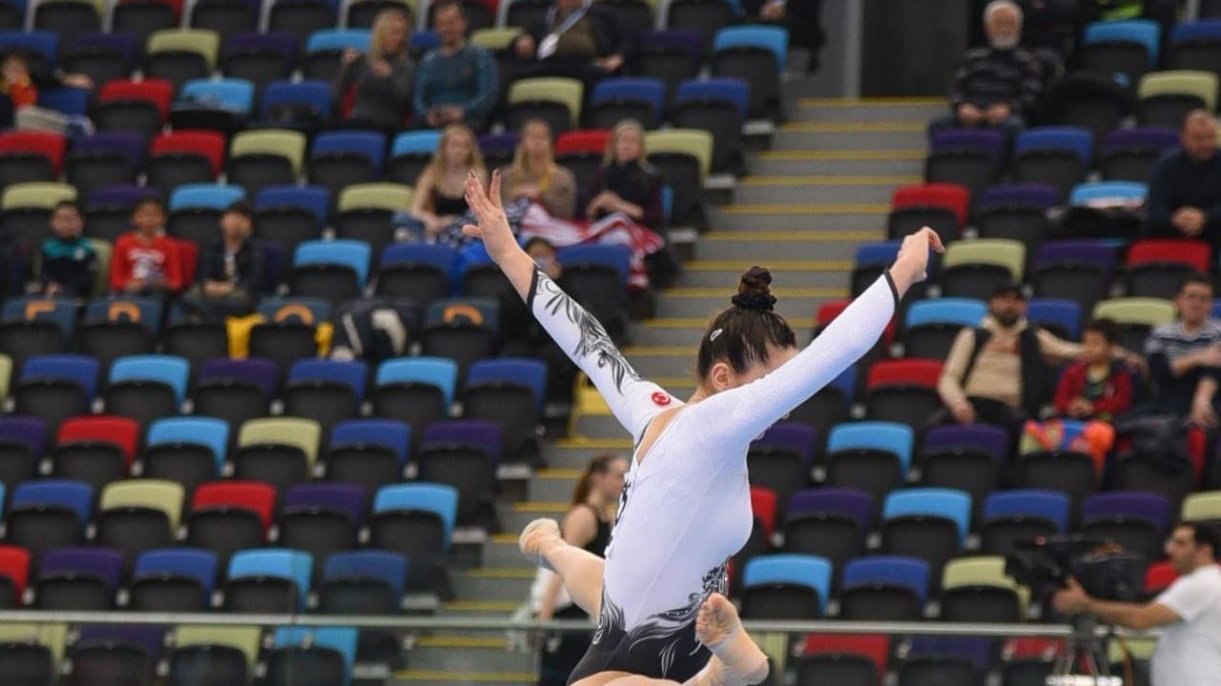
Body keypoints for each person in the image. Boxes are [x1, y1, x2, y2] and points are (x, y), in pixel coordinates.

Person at [462, 169, 942, 683]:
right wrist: (905, 269)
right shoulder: (717, 423)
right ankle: (713, 658)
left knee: (714, 651)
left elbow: (586, 339)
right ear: (723, 377)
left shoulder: (652, 408)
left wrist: (509, 252)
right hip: (629, 675)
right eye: (768, 381)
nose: (781, 403)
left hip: (649, 645)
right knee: (745, 669)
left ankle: (551, 548)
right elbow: (837, 351)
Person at [1053, 522, 1221, 686]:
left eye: (1181, 544)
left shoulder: (1202, 583)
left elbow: (1141, 619)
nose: (1170, 550)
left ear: (1204, 550)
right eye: (1171, 542)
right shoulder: (1199, 582)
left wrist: (1086, 604)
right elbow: (1140, 605)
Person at [536, 454, 629, 686]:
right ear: (599, 477)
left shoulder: (607, 518)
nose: (624, 482)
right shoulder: (584, 516)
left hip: (588, 611)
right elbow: (558, 565)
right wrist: (543, 620)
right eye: (619, 476)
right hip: (567, 615)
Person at [938, 283, 1086, 429]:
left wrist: (1099, 349)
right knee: (932, 426)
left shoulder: (1033, 336)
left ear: (1025, 307)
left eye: (1017, 300)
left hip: (1009, 408)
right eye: (1004, 299)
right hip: (971, 402)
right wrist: (958, 404)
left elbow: (1069, 351)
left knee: (1022, 427)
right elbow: (949, 377)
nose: (1010, 305)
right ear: (992, 303)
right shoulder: (972, 335)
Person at [928, 0, 1043, 138]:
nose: (1005, 29)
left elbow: (1029, 97)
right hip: (971, 112)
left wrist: (1008, 108)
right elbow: (955, 89)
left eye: (1010, 24)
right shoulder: (972, 58)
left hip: (1006, 115)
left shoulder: (1028, 61)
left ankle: (1004, 160)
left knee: (1014, 126)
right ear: (987, 27)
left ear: (1019, 28)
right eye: (999, 23)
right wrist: (962, 107)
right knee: (938, 125)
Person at [1144, 274, 1221, 428]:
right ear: (1178, 301)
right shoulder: (1160, 332)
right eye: (1191, 297)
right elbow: (1159, 371)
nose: (1196, 304)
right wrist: (1198, 358)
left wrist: (1201, 400)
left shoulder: (1218, 331)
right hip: (1166, 398)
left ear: (1210, 305)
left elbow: (1214, 369)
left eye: (1203, 299)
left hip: (1209, 399)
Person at [412, 0, 498, 131]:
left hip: (468, 120)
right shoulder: (428, 60)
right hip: (434, 122)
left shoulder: (479, 56)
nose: (446, 29)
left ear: (463, 24)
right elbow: (418, 98)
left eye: (451, 23)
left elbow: (487, 95)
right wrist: (426, 114)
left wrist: (463, 111)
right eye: (441, 24)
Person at [510, 0, 626, 89]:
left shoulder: (600, 14)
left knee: (596, 75)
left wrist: (618, 56)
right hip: (549, 63)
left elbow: (628, 39)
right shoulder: (546, 15)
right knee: (518, 75)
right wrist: (520, 41)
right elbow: (523, 36)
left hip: (588, 63)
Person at [333, 7, 416, 132]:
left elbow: (405, 104)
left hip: (388, 124)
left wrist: (389, 78)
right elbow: (335, 96)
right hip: (357, 120)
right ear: (381, 33)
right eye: (394, 32)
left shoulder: (407, 66)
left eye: (402, 33)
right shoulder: (363, 61)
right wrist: (346, 68)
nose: (398, 38)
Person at [179, 201, 264, 322]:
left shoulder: (256, 250)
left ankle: (205, 315)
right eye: (232, 217)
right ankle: (217, 317)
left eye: (242, 219)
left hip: (237, 293)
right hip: (212, 292)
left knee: (244, 300)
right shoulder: (210, 246)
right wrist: (208, 285)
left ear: (250, 226)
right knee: (188, 296)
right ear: (222, 221)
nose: (236, 223)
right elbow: (202, 274)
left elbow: (254, 280)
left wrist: (230, 287)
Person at [1146, 111, 1221, 245]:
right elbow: (1155, 209)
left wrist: (1204, 217)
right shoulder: (1165, 165)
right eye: (1199, 138)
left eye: (1211, 138)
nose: (1206, 144)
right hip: (1172, 234)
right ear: (1184, 138)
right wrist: (1174, 219)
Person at [409, 122, 488, 238]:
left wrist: (451, 221)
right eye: (454, 145)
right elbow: (415, 209)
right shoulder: (432, 173)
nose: (459, 151)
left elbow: (479, 213)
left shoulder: (477, 175)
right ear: (444, 149)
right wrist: (430, 220)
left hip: (463, 225)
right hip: (434, 223)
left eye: (465, 146)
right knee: (401, 218)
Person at [587, 120, 664, 230]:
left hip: (640, 229)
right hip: (606, 229)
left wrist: (620, 206)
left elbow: (656, 216)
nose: (626, 146)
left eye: (632, 142)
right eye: (622, 141)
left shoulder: (651, 177)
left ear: (640, 148)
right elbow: (589, 214)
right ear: (614, 146)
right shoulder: (601, 174)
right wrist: (597, 203)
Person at [1053, 318, 1133, 422]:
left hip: (1108, 426)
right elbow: (1060, 400)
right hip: (1073, 422)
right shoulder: (1073, 371)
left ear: (1112, 346)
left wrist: (1093, 407)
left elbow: (1122, 403)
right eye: (1086, 343)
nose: (1089, 348)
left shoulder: (1121, 373)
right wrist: (1071, 406)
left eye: (1095, 344)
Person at [501, 119, 578, 220]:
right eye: (533, 137)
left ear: (550, 143)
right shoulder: (508, 176)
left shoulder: (563, 177)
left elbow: (567, 212)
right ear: (523, 143)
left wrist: (542, 197)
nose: (538, 142)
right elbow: (500, 209)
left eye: (543, 138)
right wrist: (514, 195)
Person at [110, 198, 183, 297]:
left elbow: (176, 282)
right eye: (144, 215)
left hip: (158, 293)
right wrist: (130, 284)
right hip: (129, 293)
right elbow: (115, 280)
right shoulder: (122, 243)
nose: (149, 220)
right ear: (134, 218)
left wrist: (162, 284)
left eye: (155, 215)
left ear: (163, 219)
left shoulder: (170, 245)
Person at [37, 200, 96, 298]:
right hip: (50, 293)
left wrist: (66, 289)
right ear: (52, 222)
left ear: (81, 222)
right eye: (60, 219)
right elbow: (44, 274)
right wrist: (50, 285)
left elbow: (87, 279)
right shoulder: (47, 247)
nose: (65, 224)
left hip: (77, 296)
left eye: (70, 219)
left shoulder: (87, 249)